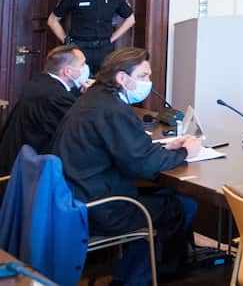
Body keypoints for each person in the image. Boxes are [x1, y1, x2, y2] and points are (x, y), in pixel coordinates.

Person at [52, 48, 201, 285]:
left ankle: (126, 274)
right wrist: (185, 152)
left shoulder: (95, 99)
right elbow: (143, 164)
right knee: (181, 205)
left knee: (165, 198)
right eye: (143, 76)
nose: (148, 83)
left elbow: (132, 151)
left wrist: (167, 149)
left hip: (78, 196)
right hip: (100, 207)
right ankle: (139, 279)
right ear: (121, 78)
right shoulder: (112, 109)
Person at [0, 45, 88, 174]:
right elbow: (77, 132)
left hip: (13, 159)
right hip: (26, 171)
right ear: (67, 71)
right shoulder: (56, 96)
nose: (86, 68)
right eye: (83, 64)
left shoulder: (42, 82)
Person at [46, 0, 136, 74]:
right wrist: (67, 42)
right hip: (78, 49)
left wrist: (111, 39)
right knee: (77, 88)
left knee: (103, 87)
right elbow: (52, 20)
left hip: (105, 49)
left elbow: (130, 19)